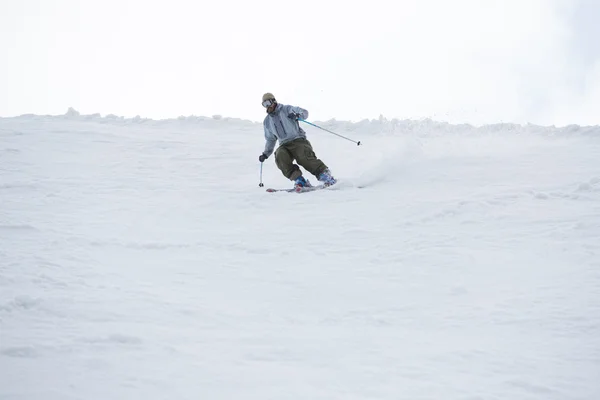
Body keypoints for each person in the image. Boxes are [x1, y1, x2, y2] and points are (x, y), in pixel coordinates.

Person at [258, 92, 337, 190]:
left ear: (274, 101)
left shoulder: (286, 109)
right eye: (264, 104)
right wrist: (266, 154)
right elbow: (270, 139)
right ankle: (299, 180)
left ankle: (325, 176)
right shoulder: (267, 121)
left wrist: (297, 115)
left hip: (298, 140)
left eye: (268, 103)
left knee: (303, 157)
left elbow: (305, 112)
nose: (267, 107)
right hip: (284, 144)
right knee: (280, 156)